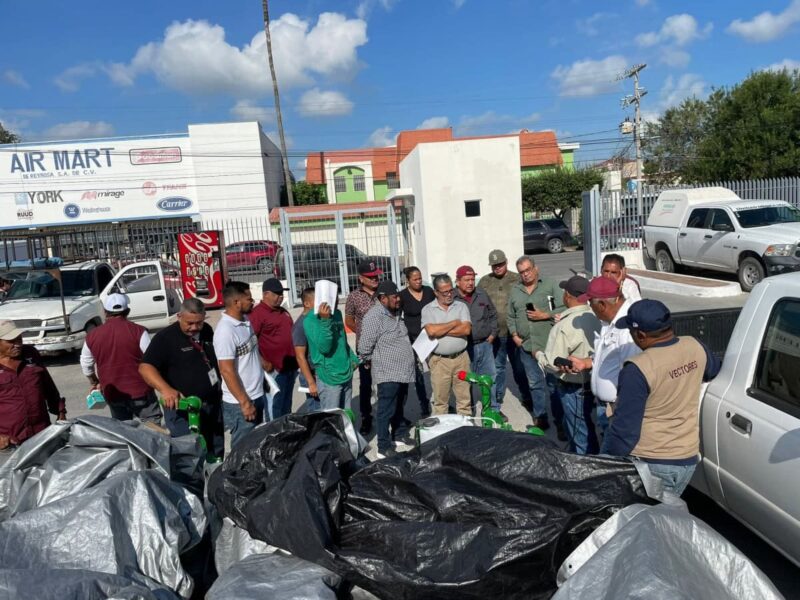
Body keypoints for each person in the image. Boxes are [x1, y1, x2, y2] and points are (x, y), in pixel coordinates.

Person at [603, 299, 721, 495]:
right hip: (686, 459)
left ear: (640, 334)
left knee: (642, 520)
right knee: (664, 517)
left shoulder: (638, 368)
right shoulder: (694, 345)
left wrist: (606, 464)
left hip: (651, 462)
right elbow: (713, 370)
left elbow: (626, 431)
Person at [139, 298, 224, 459]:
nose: (194, 327)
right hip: (183, 410)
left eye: (198, 322)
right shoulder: (165, 338)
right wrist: (166, 389)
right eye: (189, 323)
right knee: (189, 455)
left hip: (211, 406)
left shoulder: (206, 330)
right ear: (179, 316)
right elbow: (145, 368)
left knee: (215, 450)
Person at [566, 277, 641, 437]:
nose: (590, 308)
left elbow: (632, 376)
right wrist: (587, 363)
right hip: (608, 407)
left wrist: (621, 415)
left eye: (590, 304)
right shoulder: (609, 321)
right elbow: (609, 355)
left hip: (619, 410)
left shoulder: (627, 329)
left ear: (602, 304)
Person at [536, 276, 601, 454]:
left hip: (572, 387)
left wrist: (538, 355)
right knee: (586, 426)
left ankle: (587, 470)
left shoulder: (564, 326)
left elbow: (552, 363)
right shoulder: (595, 315)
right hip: (592, 382)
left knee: (580, 434)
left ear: (568, 296)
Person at [80, 293, 161, 425]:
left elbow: (86, 365)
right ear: (127, 311)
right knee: (154, 430)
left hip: (114, 394)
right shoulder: (139, 331)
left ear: (105, 312)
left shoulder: (92, 336)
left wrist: (95, 382)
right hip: (141, 392)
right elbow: (152, 360)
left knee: (123, 431)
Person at [358, 281, 415, 459]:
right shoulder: (374, 316)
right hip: (387, 372)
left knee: (400, 404)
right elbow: (365, 345)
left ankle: (398, 435)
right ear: (383, 299)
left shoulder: (395, 312)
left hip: (403, 371)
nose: (398, 299)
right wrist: (367, 360)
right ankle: (383, 446)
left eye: (398, 295)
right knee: (385, 409)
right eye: (394, 297)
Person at [507, 256, 565, 430]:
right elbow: (510, 316)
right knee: (535, 384)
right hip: (527, 346)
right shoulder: (516, 290)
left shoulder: (550, 284)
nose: (525, 274)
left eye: (528, 270)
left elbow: (564, 307)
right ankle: (541, 417)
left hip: (550, 345)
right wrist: (515, 335)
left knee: (554, 385)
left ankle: (560, 422)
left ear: (535, 268)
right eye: (522, 272)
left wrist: (544, 315)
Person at [213, 281, 266, 448]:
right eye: (249, 299)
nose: (253, 301)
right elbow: (226, 370)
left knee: (256, 446)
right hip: (241, 402)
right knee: (242, 450)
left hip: (256, 394)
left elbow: (250, 353)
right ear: (236, 302)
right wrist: (244, 402)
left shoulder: (245, 321)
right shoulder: (225, 331)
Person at [479, 249, 532, 412]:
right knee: (498, 368)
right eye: (494, 265)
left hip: (515, 333)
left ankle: (526, 396)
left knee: (520, 368)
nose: (497, 268)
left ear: (506, 262)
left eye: (500, 264)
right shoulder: (484, 282)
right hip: (495, 334)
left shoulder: (516, 279)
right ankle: (498, 397)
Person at [0, 320, 65, 453]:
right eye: (11, 341)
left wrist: (60, 411)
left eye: (19, 339)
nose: (18, 344)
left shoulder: (30, 354)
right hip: (10, 442)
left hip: (41, 433)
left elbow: (48, 385)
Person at [421, 274, 472, 416]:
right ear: (436, 292)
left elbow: (466, 330)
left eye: (451, 290)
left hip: (461, 359)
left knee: (464, 400)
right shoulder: (428, 310)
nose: (449, 294)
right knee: (440, 401)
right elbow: (431, 331)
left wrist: (440, 330)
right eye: (445, 292)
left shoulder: (461, 306)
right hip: (439, 361)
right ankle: (443, 434)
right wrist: (454, 323)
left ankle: (467, 430)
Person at [250, 278, 297, 420]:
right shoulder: (257, 313)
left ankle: (284, 432)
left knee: (286, 403)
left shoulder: (283, 311)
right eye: (277, 294)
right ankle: (273, 435)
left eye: (282, 293)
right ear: (266, 294)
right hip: (273, 369)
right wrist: (262, 361)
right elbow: (251, 341)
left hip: (290, 366)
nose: (281, 296)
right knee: (273, 405)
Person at [454, 265, 499, 412]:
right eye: (466, 280)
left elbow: (492, 314)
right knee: (467, 381)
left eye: (472, 279)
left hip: (485, 344)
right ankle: (469, 411)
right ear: (458, 281)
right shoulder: (452, 298)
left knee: (490, 377)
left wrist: (493, 334)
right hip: (465, 347)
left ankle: (493, 409)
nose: (470, 283)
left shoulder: (481, 293)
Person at [345, 260, 382, 435]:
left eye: (376, 275)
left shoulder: (384, 292)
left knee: (387, 382)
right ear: (361, 279)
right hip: (365, 348)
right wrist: (364, 332)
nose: (375, 278)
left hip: (385, 346)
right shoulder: (354, 297)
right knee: (366, 384)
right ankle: (366, 417)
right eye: (370, 277)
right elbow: (349, 320)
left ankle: (390, 415)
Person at [304, 293, 358, 411]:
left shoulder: (337, 313)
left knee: (347, 414)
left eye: (336, 295)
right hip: (329, 377)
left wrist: (352, 358)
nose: (336, 299)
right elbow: (325, 348)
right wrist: (325, 320)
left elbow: (342, 340)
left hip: (345, 372)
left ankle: (347, 430)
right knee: (332, 418)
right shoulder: (311, 320)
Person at [399, 266, 435, 417]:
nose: (419, 281)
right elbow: (396, 317)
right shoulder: (402, 296)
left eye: (420, 278)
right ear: (408, 281)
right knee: (418, 374)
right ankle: (423, 403)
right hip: (413, 341)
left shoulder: (428, 291)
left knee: (436, 371)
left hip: (430, 338)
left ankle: (441, 401)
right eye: (415, 279)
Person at [293, 287, 318, 411]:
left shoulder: (315, 320)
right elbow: (300, 356)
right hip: (311, 375)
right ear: (307, 303)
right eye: (317, 300)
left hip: (318, 374)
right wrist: (311, 382)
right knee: (316, 412)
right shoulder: (300, 326)